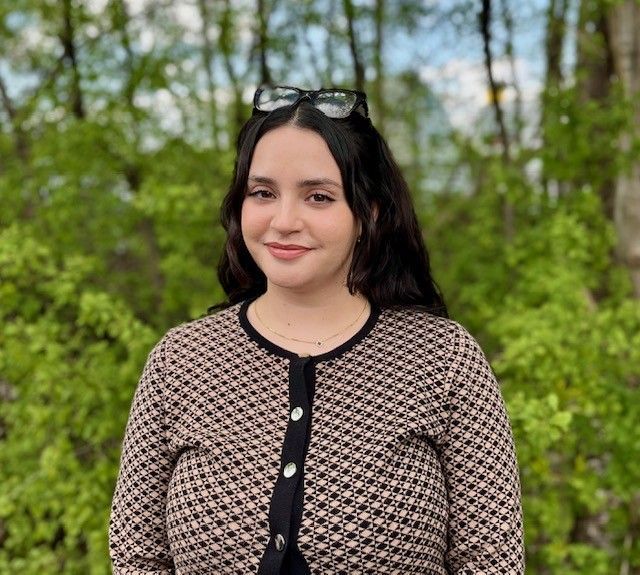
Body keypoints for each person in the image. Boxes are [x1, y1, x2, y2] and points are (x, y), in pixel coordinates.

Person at [109, 86, 524, 574]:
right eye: (263, 193)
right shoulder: (180, 362)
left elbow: (491, 561)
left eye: (319, 197)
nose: (284, 221)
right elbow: (137, 555)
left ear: (367, 214)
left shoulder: (443, 359)